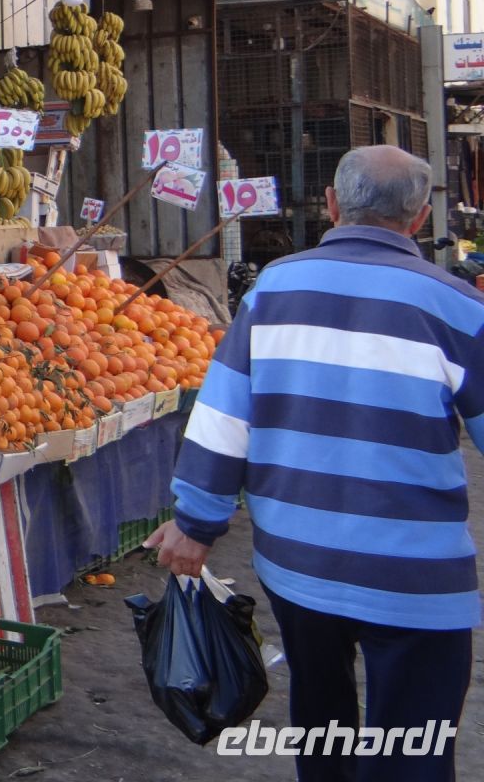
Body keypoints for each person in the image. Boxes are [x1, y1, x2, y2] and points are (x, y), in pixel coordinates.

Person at [149, 145, 480, 781]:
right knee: (413, 747)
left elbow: (223, 420)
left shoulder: (273, 289)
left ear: (331, 205)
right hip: (414, 576)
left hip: (299, 563)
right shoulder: (459, 306)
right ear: (418, 217)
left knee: (322, 718)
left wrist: (197, 523)